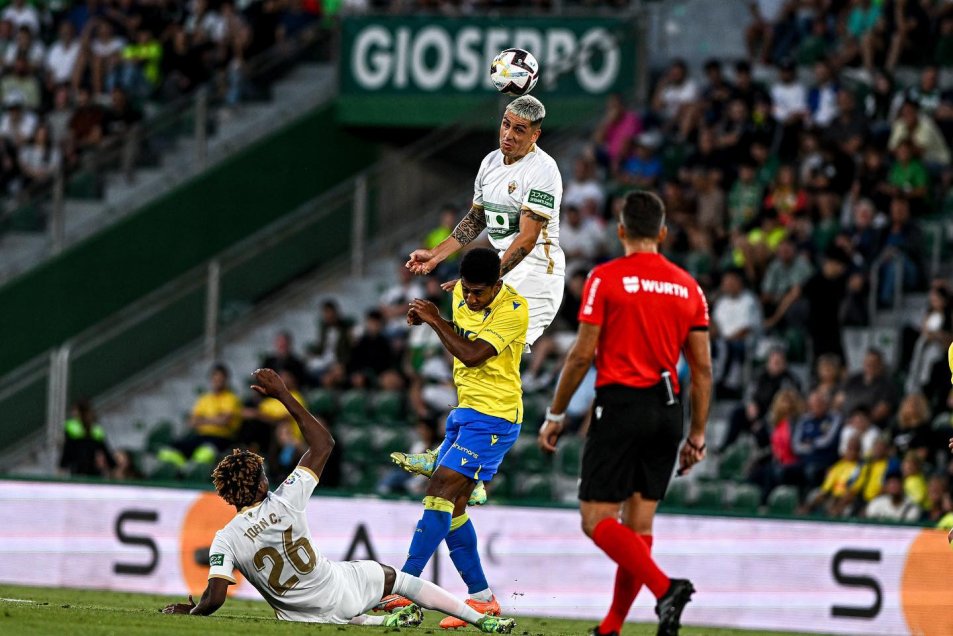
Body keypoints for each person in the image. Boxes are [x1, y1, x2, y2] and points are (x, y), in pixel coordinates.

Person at [161, 368, 515, 633]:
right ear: (259, 484)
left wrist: (190, 613)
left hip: (300, 616)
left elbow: (215, 596)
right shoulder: (285, 499)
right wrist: (284, 395)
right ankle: (479, 619)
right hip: (340, 589)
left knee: (330, 613)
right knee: (400, 580)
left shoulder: (226, 537)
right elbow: (323, 444)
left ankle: (381, 623)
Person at [538, 191, 712, 636]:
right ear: (663, 233)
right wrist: (697, 436)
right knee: (638, 526)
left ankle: (665, 588)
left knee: (596, 520)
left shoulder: (605, 278)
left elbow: (581, 355)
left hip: (621, 404)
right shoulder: (689, 286)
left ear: (620, 232)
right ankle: (611, 627)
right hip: (668, 410)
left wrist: (556, 412)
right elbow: (703, 369)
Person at [384, 248, 528, 628]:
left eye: (479, 293)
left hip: (495, 419)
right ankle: (481, 598)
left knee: (439, 489)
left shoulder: (514, 309)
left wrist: (434, 321)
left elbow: (473, 353)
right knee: (455, 508)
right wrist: (434, 317)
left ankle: (405, 585)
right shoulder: (461, 294)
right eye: (466, 290)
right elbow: (461, 331)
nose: (471, 298)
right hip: (465, 413)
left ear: (498, 285)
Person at [404, 95, 563, 349]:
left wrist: (481, 281)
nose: (508, 134)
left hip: (537, 272)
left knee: (482, 351)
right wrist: (436, 254)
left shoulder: (543, 170)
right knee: (471, 343)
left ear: (535, 136)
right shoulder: (490, 162)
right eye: (505, 124)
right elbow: (478, 217)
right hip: (501, 267)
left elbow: (527, 238)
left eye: (519, 129)